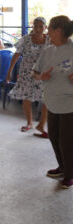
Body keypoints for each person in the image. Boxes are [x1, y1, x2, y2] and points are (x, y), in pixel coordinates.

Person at [33, 15, 73, 188]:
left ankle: (70, 174)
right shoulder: (48, 51)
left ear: (59, 31)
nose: (47, 31)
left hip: (69, 104)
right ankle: (63, 167)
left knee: (67, 141)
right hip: (51, 102)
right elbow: (35, 72)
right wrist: (41, 76)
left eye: (49, 28)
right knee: (54, 138)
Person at [7, 17, 49, 137]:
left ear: (45, 27)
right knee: (27, 97)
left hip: (43, 73)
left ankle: (41, 124)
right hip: (27, 72)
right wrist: (9, 71)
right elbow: (16, 55)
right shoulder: (26, 39)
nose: (38, 28)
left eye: (41, 26)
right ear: (32, 27)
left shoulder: (49, 39)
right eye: (36, 26)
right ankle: (29, 123)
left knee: (47, 98)